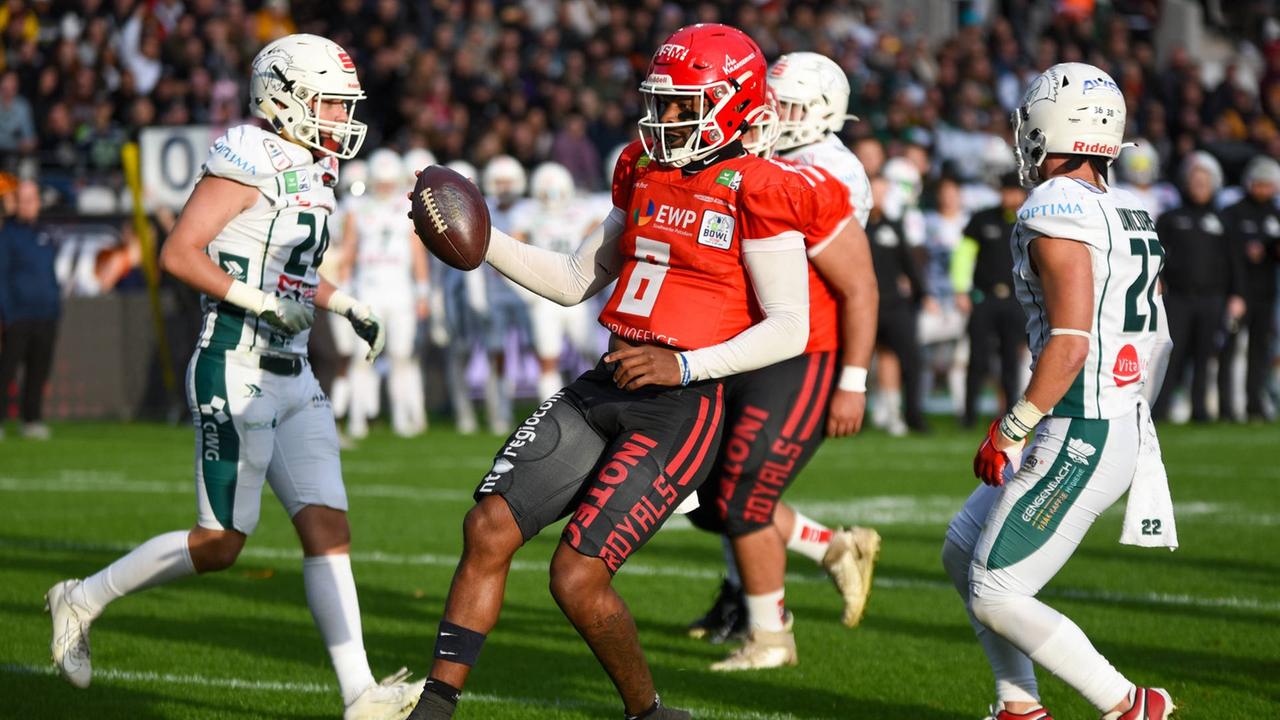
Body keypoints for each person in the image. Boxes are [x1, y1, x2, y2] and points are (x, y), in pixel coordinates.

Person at [404, 24, 852, 720]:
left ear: (732, 104)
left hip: (683, 405)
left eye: (681, 104)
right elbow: (574, 279)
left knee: (576, 577)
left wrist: (683, 363)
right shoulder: (643, 166)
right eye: (661, 102)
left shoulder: (760, 187)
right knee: (488, 526)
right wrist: (482, 242)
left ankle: (648, 712)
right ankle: (433, 706)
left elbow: (789, 327)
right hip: (606, 382)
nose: (665, 118)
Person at [44, 34, 423, 720]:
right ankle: (81, 596)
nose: (341, 118)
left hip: (294, 371)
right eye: (330, 104)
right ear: (284, 97)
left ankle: (360, 693)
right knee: (220, 543)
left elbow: (295, 273)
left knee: (327, 527)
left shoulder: (311, 165)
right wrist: (252, 302)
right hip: (236, 367)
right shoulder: (247, 155)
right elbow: (180, 252)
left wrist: (344, 303)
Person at [943, 63, 1175, 720]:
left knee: (996, 591)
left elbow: (1070, 341)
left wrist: (1014, 425)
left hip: (1080, 422)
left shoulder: (1055, 207)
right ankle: (1020, 708)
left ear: (1052, 126)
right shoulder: (1127, 205)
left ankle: (1130, 704)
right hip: (1109, 412)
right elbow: (1156, 332)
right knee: (963, 549)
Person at [682, 52, 884, 669]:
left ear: (824, 112)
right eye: (774, 101)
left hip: (799, 344)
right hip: (743, 339)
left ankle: (765, 621)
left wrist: (854, 379)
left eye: (791, 105)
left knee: (739, 494)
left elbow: (852, 280)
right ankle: (826, 549)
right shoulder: (761, 151)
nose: (778, 114)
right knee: (707, 495)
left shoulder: (830, 172)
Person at [341, 148, 430, 439]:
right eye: (381, 182)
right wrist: (343, 290)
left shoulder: (408, 209)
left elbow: (417, 253)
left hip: (400, 291)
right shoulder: (358, 209)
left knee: (401, 356)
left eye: (389, 182)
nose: (385, 188)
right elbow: (349, 250)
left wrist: (422, 292)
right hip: (368, 290)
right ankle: (357, 418)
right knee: (362, 355)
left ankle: (401, 417)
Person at [1152, 151, 1243, 422]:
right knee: (1171, 356)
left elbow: (1234, 261)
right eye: (1194, 181)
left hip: (1212, 298)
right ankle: (1160, 410)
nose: (1199, 186)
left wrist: (1237, 294)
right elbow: (1156, 255)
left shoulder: (1223, 221)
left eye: (1204, 182)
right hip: (1177, 298)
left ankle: (1201, 412)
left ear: (1214, 184)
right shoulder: (1170, 218)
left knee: (1205, 358)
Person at [509, 161, 604, 401]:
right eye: (546, 193)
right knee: (547, 357)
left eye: (556, 192)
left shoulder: (583, 211)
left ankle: (601, 402)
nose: (551, 198)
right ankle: (547, 411)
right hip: (545, 293)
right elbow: (514, 249)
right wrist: (528, 292)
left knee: (593, 351)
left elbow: (602, 238)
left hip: (577, 290)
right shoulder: (527, 213)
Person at [952, 171, 1029, 428]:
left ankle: (1010, 415)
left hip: (1015, 300)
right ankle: (969, 416)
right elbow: (963, 255)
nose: (1010, 196)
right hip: (983, 299)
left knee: (1011, 359)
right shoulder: (982, 219)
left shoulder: (1030, 222)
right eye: (1006, 191)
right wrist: (961, 289)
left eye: (1015, 191)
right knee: (978, 359)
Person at [1219, 156, 1280, 421]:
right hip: (1237, 293)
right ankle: (1226, 408)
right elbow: (1226, 253)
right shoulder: (1233, 212)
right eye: (1259, 183)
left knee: (1259, 351)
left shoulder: (1274, 215)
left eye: (1268, 184)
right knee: (1230, 351)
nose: (1263, 189)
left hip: (1266, 294)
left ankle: (1255, 406)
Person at [867, 175, 930, 434]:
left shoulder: (894, 226)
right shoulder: (853, 227)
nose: (878, 198)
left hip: (894, 305)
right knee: (855, 364)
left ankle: (911, 415)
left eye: (882, 192)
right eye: (874, 191)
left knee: (909, 361)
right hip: (865, 307)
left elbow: (909, 265)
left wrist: (920, 294)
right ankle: (852, 418)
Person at [0, 180, 59, 441]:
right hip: (17, 316)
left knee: (38, 371)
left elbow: (50, 274)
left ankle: (31, 419)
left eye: (33, 198)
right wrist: (8, 312)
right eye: (24, 199)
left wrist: (56, 306)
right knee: (7, 370)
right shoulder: (8, 234)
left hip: (46, 314)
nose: (30, 204)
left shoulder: (44, 234)